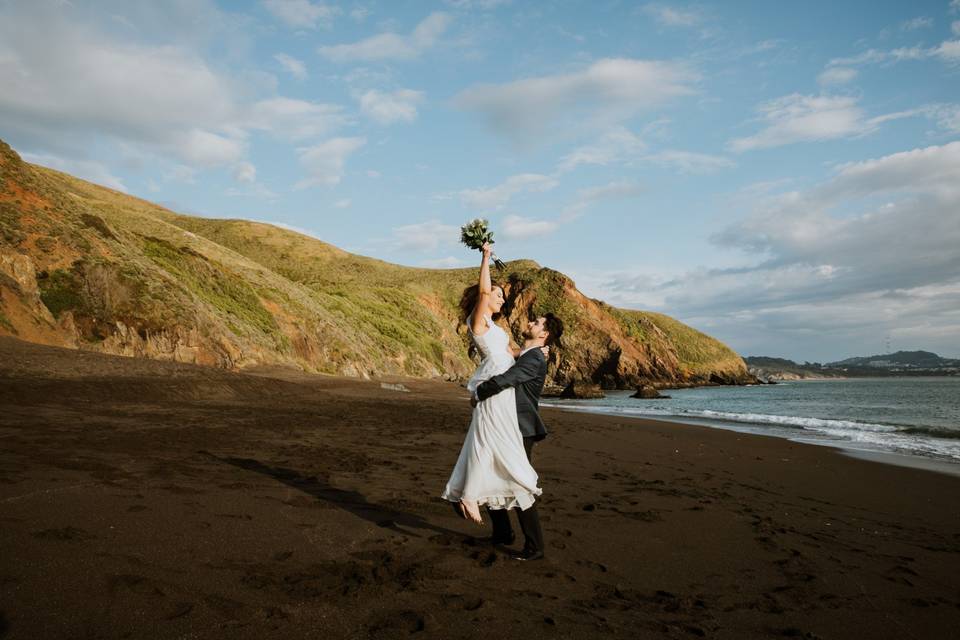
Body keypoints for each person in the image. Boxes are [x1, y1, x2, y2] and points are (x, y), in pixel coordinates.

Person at [441, 243, 541, 529]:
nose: (500, 299)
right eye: (498, 294)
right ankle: (469, 495)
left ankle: (467, 492)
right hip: (493, 385)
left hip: (503, 389)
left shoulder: (497, 330)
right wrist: (485, 258)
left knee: (489, 440)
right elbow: (484, 292)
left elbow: (512, 354)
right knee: (486, 439)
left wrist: (536, 350)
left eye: (502, 296)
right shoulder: (479, 322)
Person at [472, 313, 563, 561]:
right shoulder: (528, 355)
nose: (531, 322)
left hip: (520, 429)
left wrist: (480, 391)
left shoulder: (534, 358)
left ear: (544, 334)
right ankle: (502, 533)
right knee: (491, 473)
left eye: (537, 323)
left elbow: (509, 379)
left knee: (519, 483)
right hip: (506, 426)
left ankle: (535, 546)